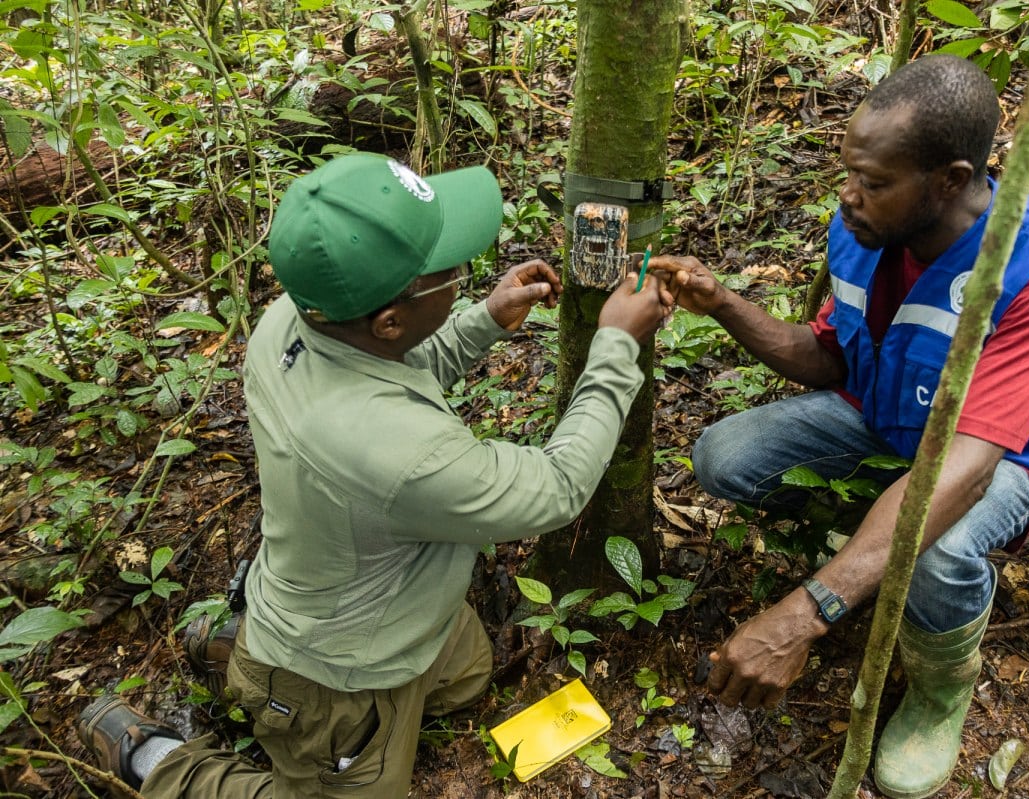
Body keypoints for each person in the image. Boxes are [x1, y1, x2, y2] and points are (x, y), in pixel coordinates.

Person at [75, 152, 671, 797]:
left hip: (391, 609)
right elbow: (556, 488)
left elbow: (391, 371)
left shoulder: (295, 317)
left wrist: (482, 319)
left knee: (469, 676)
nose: (463, 278)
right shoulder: (404, 454)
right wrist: (615, 345)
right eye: (453, 274)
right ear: (390, 320)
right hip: (338, 671)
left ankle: (235, 649)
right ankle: (158, 759)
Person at [651, 54, 1029, 799]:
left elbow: (967, 465)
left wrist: (808, 610)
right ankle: (872, 538)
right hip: (883, 419)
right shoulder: (867, 230)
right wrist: (724, 303)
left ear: (950, 180)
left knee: (935, 548)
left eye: (872, 182)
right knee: (724, 455)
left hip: (1003, 459)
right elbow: (829, 358)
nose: (848, 197)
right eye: (849, 173)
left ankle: (940, 689)